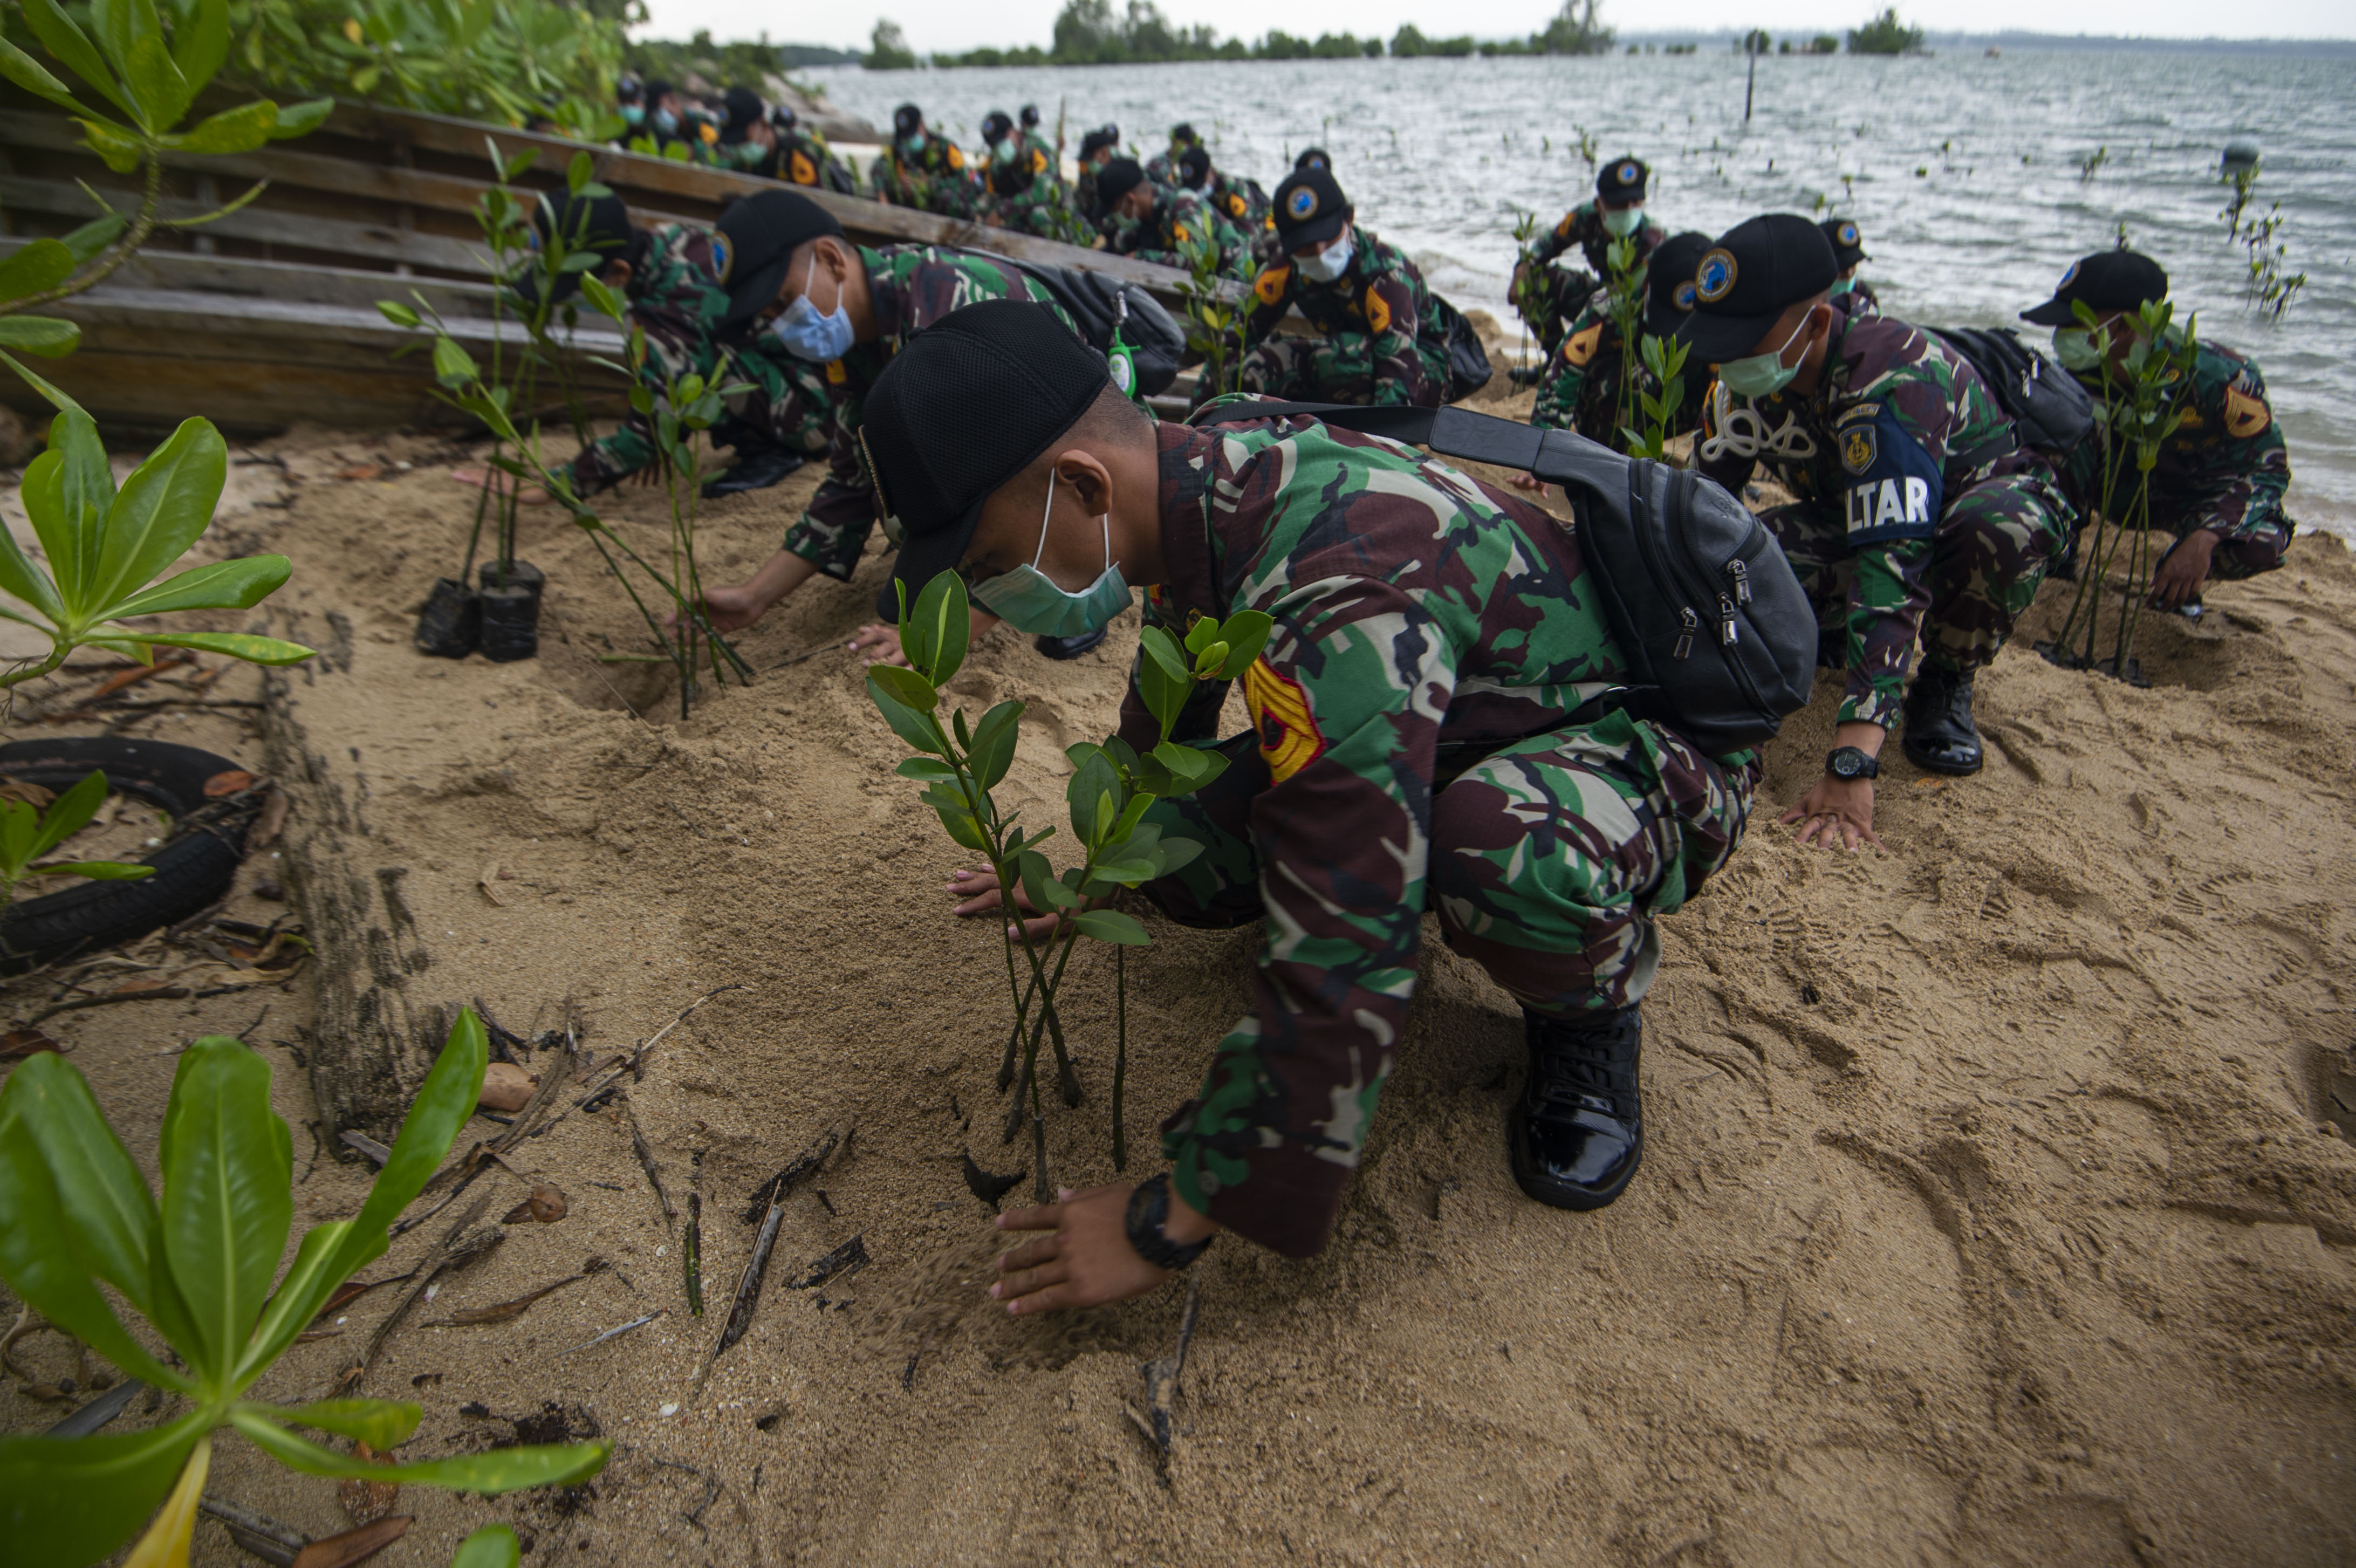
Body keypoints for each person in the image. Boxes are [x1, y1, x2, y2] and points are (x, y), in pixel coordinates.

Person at [857, 300, 1759, 1306]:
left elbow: (1348, 921)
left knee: (1494, 849)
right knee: (1174, 844)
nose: (986, 604)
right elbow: (1163, 735)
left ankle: (1588, 1016)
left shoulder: (1334, 574)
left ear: (1080, 485)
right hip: (1463, 723)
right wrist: (1098, 880)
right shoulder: (1196, 482)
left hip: (1637, 755)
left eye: (985, 566)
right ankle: (1449, 848)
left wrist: (1173, 1213)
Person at [1679, 214, 2074, 841]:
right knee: (1751, 550)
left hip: (1961, 520)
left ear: (1814, 324)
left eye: (1748, 337)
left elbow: (1891, 567)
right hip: (1855, 515)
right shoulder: (1748, 375)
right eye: (1719, 337)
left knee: (1998, 531)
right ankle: (1829, 629)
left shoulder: (1892, 378)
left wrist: (1852, 759)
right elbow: (1704, 510)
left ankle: (1945, 681)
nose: (1729, 355)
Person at [682, 191, 1111, 662]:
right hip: (1026, 465)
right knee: (900, 502)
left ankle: (1084, 590)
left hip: (1090, 461)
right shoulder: (854, 339)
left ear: (829, 259)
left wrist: (956, 626)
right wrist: (754, 597)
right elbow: (852, 478)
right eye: (769, 317)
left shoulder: (948, 307)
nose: (781, 326)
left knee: (932, 501)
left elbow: (1026, 480)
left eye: (783, 302)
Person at [472, 191, 824, 504]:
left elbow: (648, 431)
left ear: (620, 273)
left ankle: (776, 451)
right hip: (818, 379)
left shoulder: (667, 316)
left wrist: (556, 485)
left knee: (703, 370)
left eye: (582, 284)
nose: (580, 294)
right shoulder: (673, 239)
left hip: (821, 417)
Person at [2019, 248, 2294, 611]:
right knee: (2049, 431)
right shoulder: (2069, 377)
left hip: (2196, 502)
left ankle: (2180, 580)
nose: (2061, 336)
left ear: (2124, 326)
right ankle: (2060, 555)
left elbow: (2269, 469)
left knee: (2264, 541)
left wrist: (2206, 534)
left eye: (2075, 324)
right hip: (2116, 492)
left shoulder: (2218, 377)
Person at [1225, 165, 1450, 407]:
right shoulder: (1287, 269)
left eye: (1327, 238)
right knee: (1260, 363)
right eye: (1308, 247)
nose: (1320, 254)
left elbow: (1399, 370)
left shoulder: (1386, 274)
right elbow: (1233, 342)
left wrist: (1379, 440)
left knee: (1337, 358)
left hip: (1422, 375)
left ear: (1349, 219)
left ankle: (1359, 431)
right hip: (1353, 366)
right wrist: (1196, 420)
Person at [1529, 229, 1712, 443]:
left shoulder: (1719, 312)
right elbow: (1563, 375)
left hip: (1676, 407)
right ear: (1646, 282)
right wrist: (1543, 449)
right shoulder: (1611, 305)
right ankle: (1616, 455)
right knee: (1639, 377)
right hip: (1608, 412)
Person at [1515, 155, 1667, 361]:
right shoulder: (1586, 218)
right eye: (1620, 204)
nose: (1629, 210)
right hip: (1600, 302)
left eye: (1636, 202)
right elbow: (1546, 245)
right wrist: (1522, 269)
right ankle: (1555, 361)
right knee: (1534, 282)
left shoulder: (1654, 240)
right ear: (1599, 204)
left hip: (1633, 318)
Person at [1094, 158, 1249, 279]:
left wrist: (1141, 258)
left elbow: (1196, 262)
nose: (1115, 216)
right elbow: (1119, 250)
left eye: (1115, 210)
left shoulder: (1183, 207)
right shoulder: (1143, 221)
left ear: (1130, 200)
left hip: (1230, 286)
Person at [981, 108, 1085, 243]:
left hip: (1058, 214)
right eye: (994, 146)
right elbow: (992, 194)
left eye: (1001, 142)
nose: (998, 150)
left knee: (1037, 215)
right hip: (1022, 214)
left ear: (1014, 133)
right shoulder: (998, 164)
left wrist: (1003, 210)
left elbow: (1041, 192)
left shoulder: (1037, 150)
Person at [874, 104, 977, 218]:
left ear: (922, 125)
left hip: (942, 207)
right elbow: (878, 168)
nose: (909, 141)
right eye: (906, 138)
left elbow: (965, 182)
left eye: (912, 136)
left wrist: (928, 183)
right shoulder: (899, 148)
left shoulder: (945, 148)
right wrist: (884, 195)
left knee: (948, 197)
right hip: (914, 206)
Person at [1179, 144, 1270, 236]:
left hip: (1260, 226)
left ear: (1211, 172)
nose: (1197, 192)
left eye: (1200, 186)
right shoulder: (1185, 190)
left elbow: (1248, 236)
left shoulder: (1235, 190)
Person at [1819, 217, 1879, 316]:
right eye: (1841, 268)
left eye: (1853, 265)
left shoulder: (1866, 297)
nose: (1848, 274)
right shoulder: (1803, 299)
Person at [1073, 124, 1120, 221]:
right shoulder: (1087, 173)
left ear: (1104, 153)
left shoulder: (1117, 177)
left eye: (1091, 159)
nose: (1087, 163)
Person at [1144, 121, 1201, 187]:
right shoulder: (1159, 164)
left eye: (1193, 144)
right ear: (1175, 142)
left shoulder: (1186, 164)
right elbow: (1173, 191)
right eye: (1188, 143)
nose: (1191, 148)